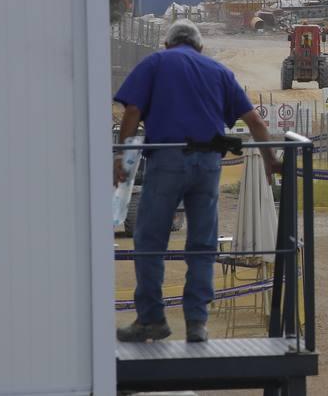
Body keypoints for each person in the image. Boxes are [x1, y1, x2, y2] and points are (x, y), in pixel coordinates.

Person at [113, 20, 277, 344]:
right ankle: (197, 324)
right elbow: (256, 121)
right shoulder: (218, 70)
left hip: (168, 159)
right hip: (209, 164)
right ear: (200, 46)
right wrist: (271, 160)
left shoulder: (156, 63)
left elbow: (132, 112)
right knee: (202, 245)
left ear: (167, 43)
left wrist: (120, 158)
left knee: (149, 242)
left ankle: (151, 320)